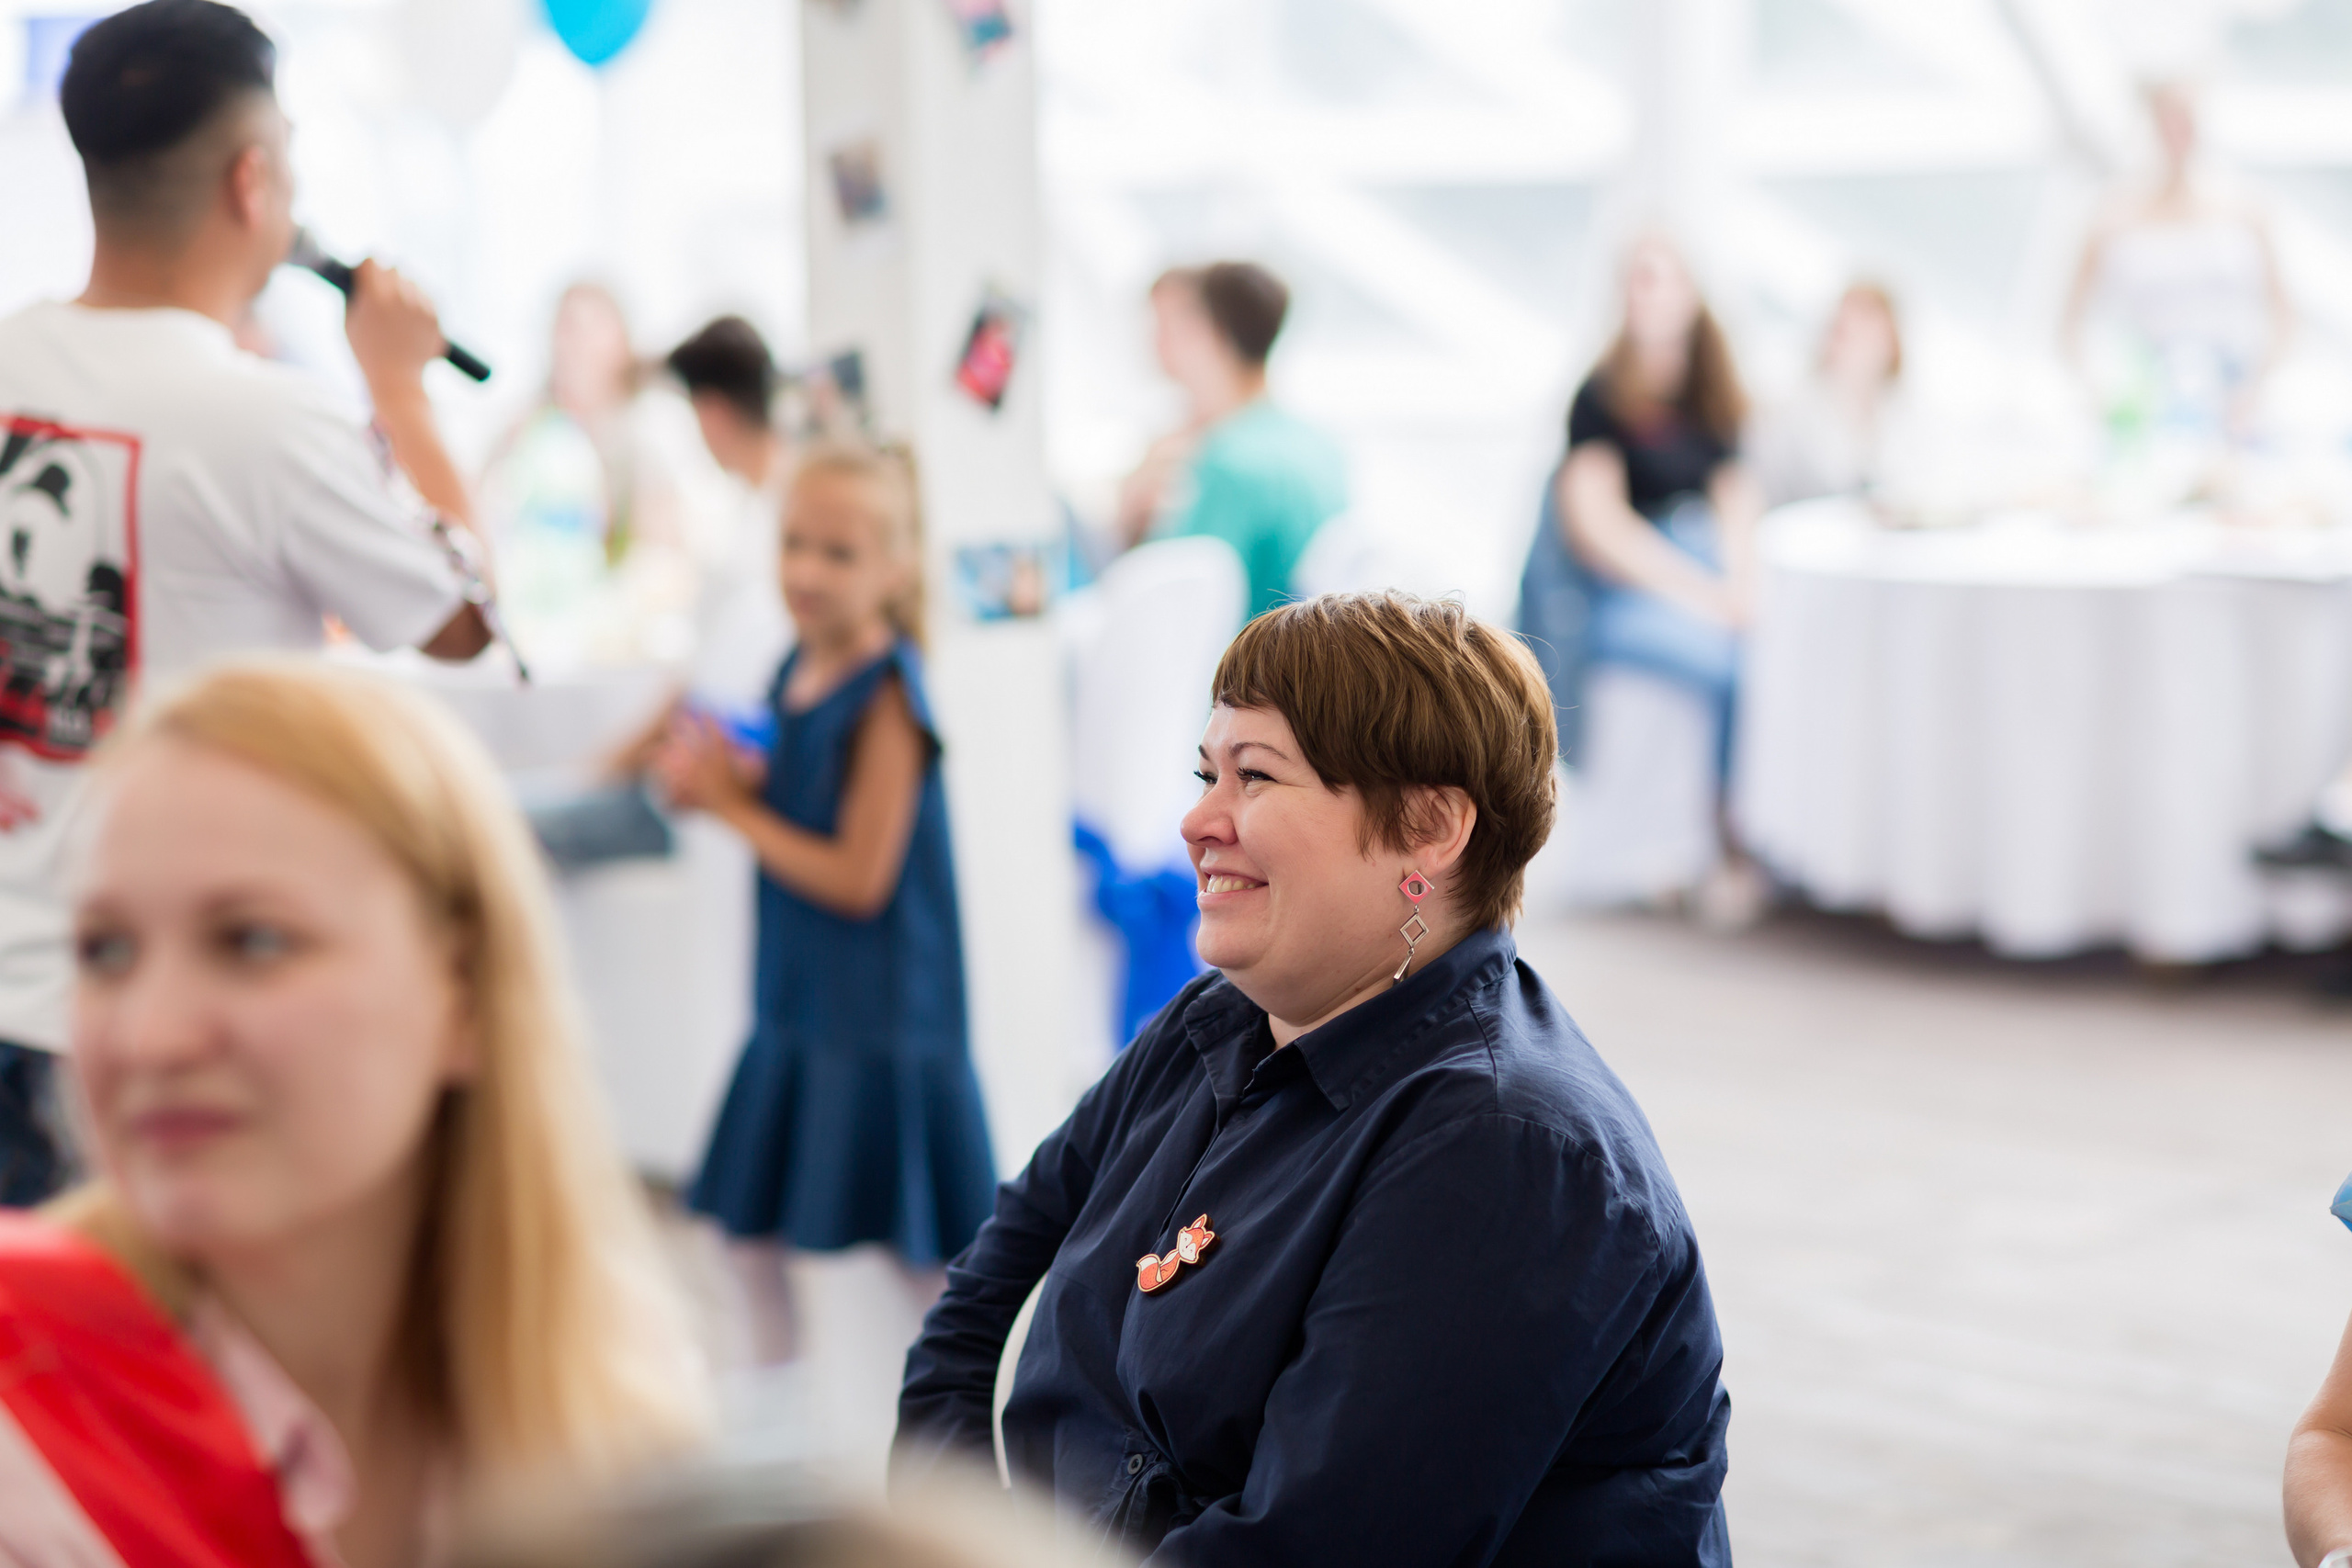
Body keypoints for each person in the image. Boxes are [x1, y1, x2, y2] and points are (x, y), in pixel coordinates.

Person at [898, 592, 1732, 1564]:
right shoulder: (1217, 1021)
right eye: (1207, 772)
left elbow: (1305, 1552)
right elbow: (978, 1295)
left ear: (1428, 828)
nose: (1197, 820)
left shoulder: (1507, 1150)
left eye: (1254, 776)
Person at [0, 660, 706, 1566]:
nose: (150, 1037)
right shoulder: (27, 1413)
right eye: (106, 951)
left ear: (463, 994)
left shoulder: (624, 1425)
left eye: (252, 941)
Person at [0, 0, 496, 1206]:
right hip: (151, 1029)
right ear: (252, 177)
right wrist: (401, 390)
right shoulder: (276, 418)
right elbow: (467, 622)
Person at [654, 442, 996, 1364]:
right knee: (747, 1240)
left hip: (878, 1015)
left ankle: (963, 1446)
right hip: (801, 1005)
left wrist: (730, 810)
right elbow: (807, 793)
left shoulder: (887, 696)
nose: (806, 572)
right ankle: (782, 1436)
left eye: (837, 554)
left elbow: (858, 877)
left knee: (921, 1266)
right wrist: (740, 783)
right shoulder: (794, 667)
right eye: (794, 544)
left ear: (894, 568)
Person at [2061, 78, 2290, 450]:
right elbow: (2070, 323)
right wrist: (2098, 390)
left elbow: (2285, 316)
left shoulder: (2247, 210)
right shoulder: (2111, 217)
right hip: (2145, 394)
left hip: (2233, 395)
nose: (2176, 134)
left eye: (2186, 121)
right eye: (2165, 121)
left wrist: (2256, 387)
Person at [1115, 263, 1347, 618]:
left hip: (1248, 661)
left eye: (1174, 327)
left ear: (1213, 333)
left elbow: (1160, 602)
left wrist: (1128, 520)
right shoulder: (1323, 446)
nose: (1158, 345)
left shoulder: (1228, 463)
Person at [1747, 280, 1908, 508]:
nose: (1856, 343)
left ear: (1891, 343)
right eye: (1844, 331)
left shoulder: (1901, 409)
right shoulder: (1792, 406)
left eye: (1867, 331)